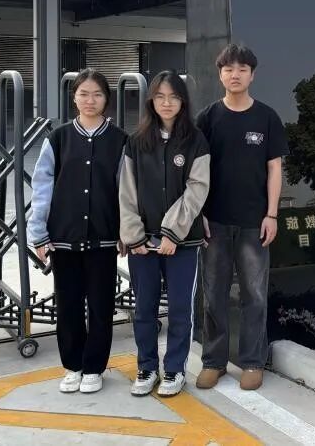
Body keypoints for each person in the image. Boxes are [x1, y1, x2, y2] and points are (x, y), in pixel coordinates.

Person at [195, 44, 288, 391]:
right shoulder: (207, 118)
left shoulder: (266, 117)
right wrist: (199, 214)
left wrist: (272, 214)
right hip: (214, 222)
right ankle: (213, 362)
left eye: (242, 69)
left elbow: (274, 168)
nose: (235, 75)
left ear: (252, 75)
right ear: (220, 74)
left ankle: (252, 362)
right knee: (214, 294)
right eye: (228, 69)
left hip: (254, 222)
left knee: (254, 295)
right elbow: (195, 171)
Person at [27, 68, 127, 394]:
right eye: (83, 94)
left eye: (97, 94)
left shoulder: (120, 140)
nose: (90, 100)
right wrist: (39, 234)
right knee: (68, 306)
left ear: (106, 99)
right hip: (63, 238)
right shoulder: (58, 138)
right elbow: (42, 187)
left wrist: (126, 231)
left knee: (101, 306)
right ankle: (73, 366)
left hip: (104, 237)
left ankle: (94, 367)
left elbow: (126, 191)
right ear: (74, 98)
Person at [119, 71, 210, 397]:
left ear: (182, 101)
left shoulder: (196, 140)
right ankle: (146, 367)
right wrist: (134, 235)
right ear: (151, 101)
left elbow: (197, 189)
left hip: (182, 243)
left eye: (173, 97)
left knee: (180, 310)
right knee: (144, 308)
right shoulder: (136, 141)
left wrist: (172, 233)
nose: (166, 103)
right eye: (160, 97)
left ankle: (174, 370)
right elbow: (126, 192)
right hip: (142, 244)